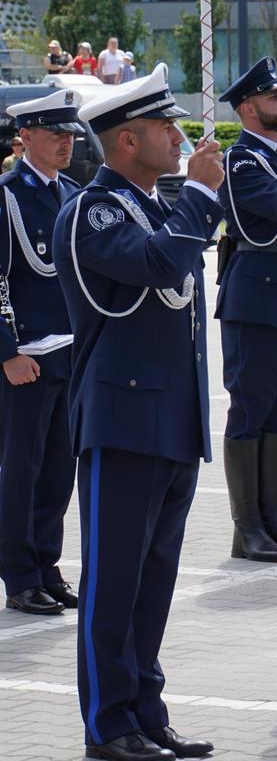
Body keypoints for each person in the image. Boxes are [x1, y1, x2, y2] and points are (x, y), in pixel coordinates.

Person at [55, 62, 224, 761]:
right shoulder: (94, 211)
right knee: (114, 582)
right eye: (164, 126)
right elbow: (159, 265)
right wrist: (202, 197)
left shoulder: (156, 204)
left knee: (153, 583)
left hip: (169, 420)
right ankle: (108, 726)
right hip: (122, 419)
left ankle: (145, 710)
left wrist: (199, 198)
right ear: (127, 141)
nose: (178, 136)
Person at [0, 90, 83, 618]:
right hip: (26, 355)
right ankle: (19, 574)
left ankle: (46, 565)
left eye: (70, 134)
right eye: (54, 134)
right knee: (19, 470)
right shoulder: (7, 196)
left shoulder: (72, 192)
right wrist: (6, 352)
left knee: (58, 470)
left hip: (69, 353)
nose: (65, 143)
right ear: (25, 137)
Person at [215, 56, 277, 564]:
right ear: (248, 109)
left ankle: (272, 517)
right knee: (250, 406)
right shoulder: (243, 159)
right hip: (256, 295)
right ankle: (245, 526)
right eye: (273, 97)